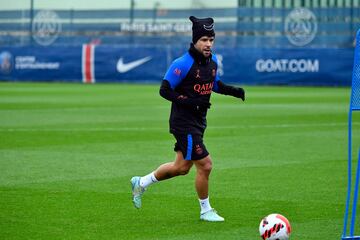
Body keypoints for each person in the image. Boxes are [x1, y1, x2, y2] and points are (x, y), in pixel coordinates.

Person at [130, 16, 245, 222]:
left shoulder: (213, 61)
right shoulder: (182, 64)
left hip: (199, 122)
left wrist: (233, 91)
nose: (208, 44)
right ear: (194, 41)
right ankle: (206, 210)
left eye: (211, 39)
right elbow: (164, 90)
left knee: (181, 168)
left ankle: (141, 182)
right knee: (206, 165)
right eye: (204, 40)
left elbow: (214, 84)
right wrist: (189, 101)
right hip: (183, 123)